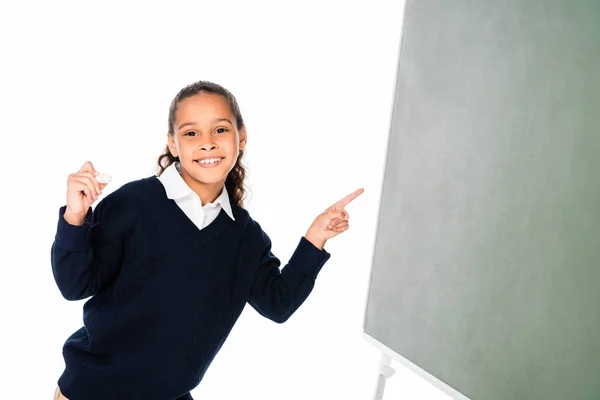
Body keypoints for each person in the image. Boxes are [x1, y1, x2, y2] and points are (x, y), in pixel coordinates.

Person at [51, 80, 364, 400]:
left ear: (241, 137)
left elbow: (278, 304)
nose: (207, 143)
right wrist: (75, 218)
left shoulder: (244, 236)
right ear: (173, 144)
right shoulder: (133, 204)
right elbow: (74, 285)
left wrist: (315, 239)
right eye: (191, 133)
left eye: (220, 130)